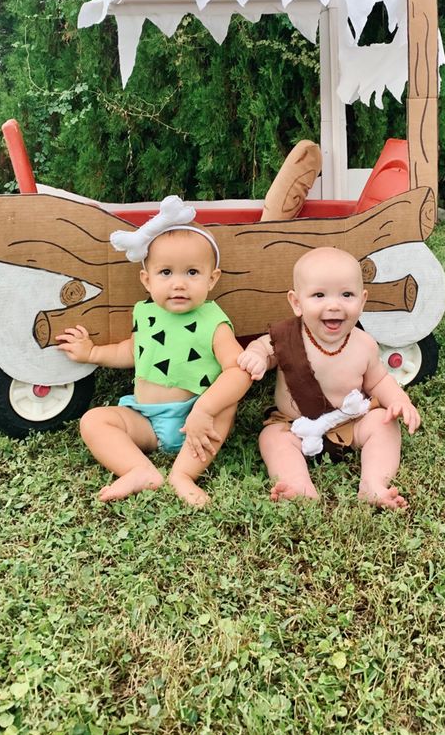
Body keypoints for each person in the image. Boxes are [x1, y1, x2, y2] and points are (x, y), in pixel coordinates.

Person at [57, 196, 251, 506]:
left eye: (192, 273)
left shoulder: (214, 320)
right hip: (144, 419)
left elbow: (238, 372)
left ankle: (183, 474)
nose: (178, 284)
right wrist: (92, 353)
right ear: (146, 281)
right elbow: (134, 351)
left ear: (212, 279)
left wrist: (205, 409)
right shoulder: (145, 313)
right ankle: (139, 470)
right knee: (93, 421)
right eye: (166, 273)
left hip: (194, 418)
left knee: (225, 407)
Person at [237, 246, 421, 508]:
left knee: (384, 423)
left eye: (347, 294)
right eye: (319, 295)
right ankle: (299, 485)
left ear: (362, 300)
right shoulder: (288, 337)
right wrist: (256, 355)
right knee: (272, 438)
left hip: (349, 423)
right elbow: (265, 347)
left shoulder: (364, 344)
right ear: (297, 302)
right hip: (295, 426)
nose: (334, 305)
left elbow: (379, 381)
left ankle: (373, 484)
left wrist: (400, 400)